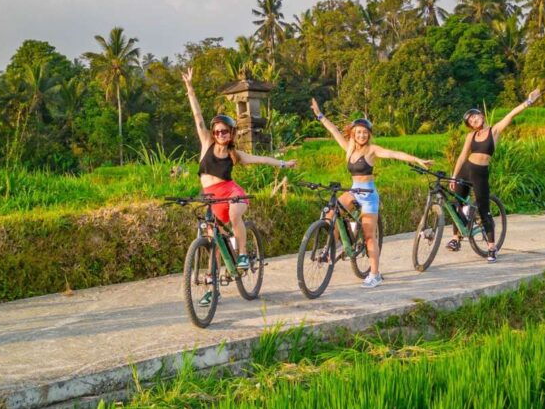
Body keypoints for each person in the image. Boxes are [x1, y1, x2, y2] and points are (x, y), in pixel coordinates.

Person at [183, 67, 297, 305]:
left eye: (225, 131)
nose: (220, 134)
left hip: (231, 192)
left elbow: (262, 159)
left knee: (236, 215)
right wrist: (190, 88)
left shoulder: (236, 154)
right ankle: (211, 289)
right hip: (210, 196)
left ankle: (243, 255)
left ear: (231, 133)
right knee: (212, 242)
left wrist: (284, 163)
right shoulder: (206, 143)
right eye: (217, 131)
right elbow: (197, 117)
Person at [310, 98, 433, 288]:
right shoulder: (349, 148)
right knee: (330, 213)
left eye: (365, 133)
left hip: (368, 195)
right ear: (353, 134)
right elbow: (333, 130)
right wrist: (319, 114)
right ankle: (330, 249)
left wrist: (417, 160)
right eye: (358, 132)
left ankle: (375, 274)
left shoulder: (372, 150)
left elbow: (395, 154)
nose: (361, 135)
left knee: (369, 236)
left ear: (369, 135)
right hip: (353, 191)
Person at [447, 89, 542, 263]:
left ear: (481, 116)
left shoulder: (494, 131)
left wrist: (528, 101)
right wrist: (454, 176)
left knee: (485, 211)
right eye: (470, 121)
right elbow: (462, 156)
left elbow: (511, 115)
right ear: (471, 126)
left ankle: (491, 247)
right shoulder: (471, 136)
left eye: (475, 117)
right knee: (456, 202)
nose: (474, 120)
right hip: (466, 169)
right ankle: (456, 238)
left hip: (480, 173)